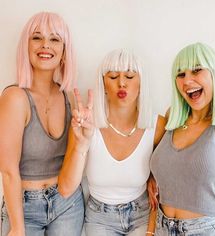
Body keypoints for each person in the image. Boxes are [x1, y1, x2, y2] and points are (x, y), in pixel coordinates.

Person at [58, 48, 166, 236]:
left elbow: (167, 186)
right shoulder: (87, 123)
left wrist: (150, 230)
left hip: (142, 213)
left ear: (141, 83)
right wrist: (81, 145)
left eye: (130, 77)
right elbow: (66, 189)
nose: (122, 83)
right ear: (103, 84)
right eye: (113, 77)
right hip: (100, 218)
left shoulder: (156, 126)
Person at [0, 12, 84, 236]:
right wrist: (17, 227)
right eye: (36, 37)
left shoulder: (69, 97)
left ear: (64, 52)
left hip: (68, 203)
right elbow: (8, 171)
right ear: (26, 47)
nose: (45, 45)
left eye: (55, 39)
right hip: (24, 206)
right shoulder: (15, 98)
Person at [150, 42, 215, 235]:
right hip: (163, 227)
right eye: (181, 74)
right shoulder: (172, 118)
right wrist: (151, 176)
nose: (187, 80)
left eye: (196, 70)